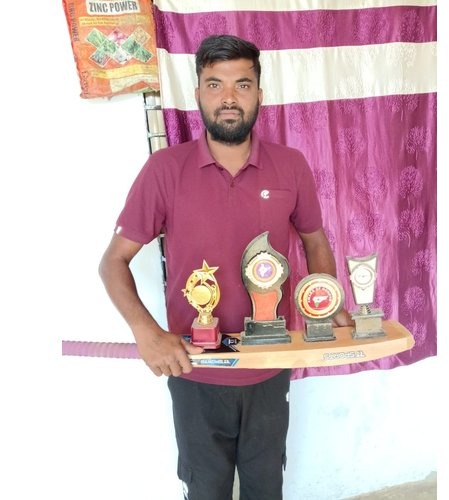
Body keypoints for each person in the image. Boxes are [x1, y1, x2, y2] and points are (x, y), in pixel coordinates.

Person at [99, 34, 352, 500]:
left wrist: (325, 300)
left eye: (243, 84)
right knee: (206, 490)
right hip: (196, 370)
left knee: (265, 488)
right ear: (198, 93)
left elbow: (315, 241)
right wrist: (146, 332)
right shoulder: (164, 169)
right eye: (215, 85)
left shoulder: (291, 165)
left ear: (260, 93)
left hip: (270, 365)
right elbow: (113, 261)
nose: (229, 98)